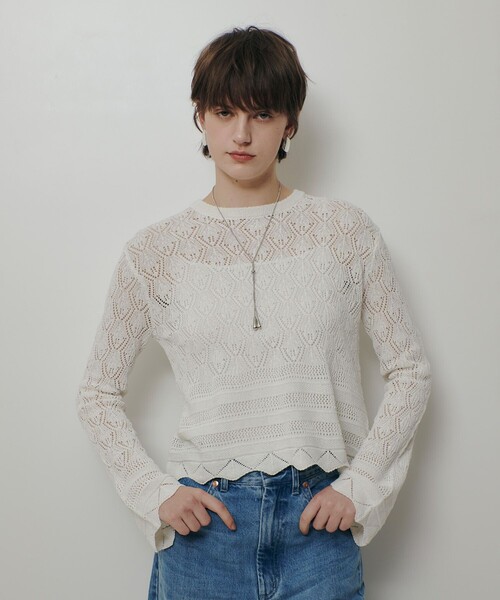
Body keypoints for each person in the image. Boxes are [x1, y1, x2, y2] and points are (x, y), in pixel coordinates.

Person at [77, 25, 431, 600]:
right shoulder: (155, 253)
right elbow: (97, 392)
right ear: (200, 116)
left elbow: (410, 370)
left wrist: (361, 485)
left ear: (290, 124)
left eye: (262, 114)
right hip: (204, 532)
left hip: (320, 528)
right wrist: (153, 492)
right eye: (224, 112)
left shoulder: (345, 233)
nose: (241, 134)